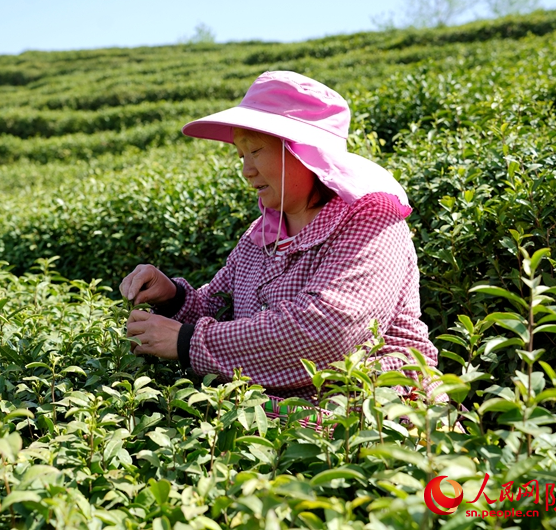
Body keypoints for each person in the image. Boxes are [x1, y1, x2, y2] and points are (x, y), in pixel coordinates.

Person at [121, 71, 441, 403]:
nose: (246, 170)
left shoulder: (370, 219)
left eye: (256, 151)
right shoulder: (261, 236)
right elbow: (219, 306)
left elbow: (328, 332)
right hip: (273, 417)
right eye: (241, 156)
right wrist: (171, 296)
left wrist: (188, 341)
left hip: (374, 415)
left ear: (304, 151)